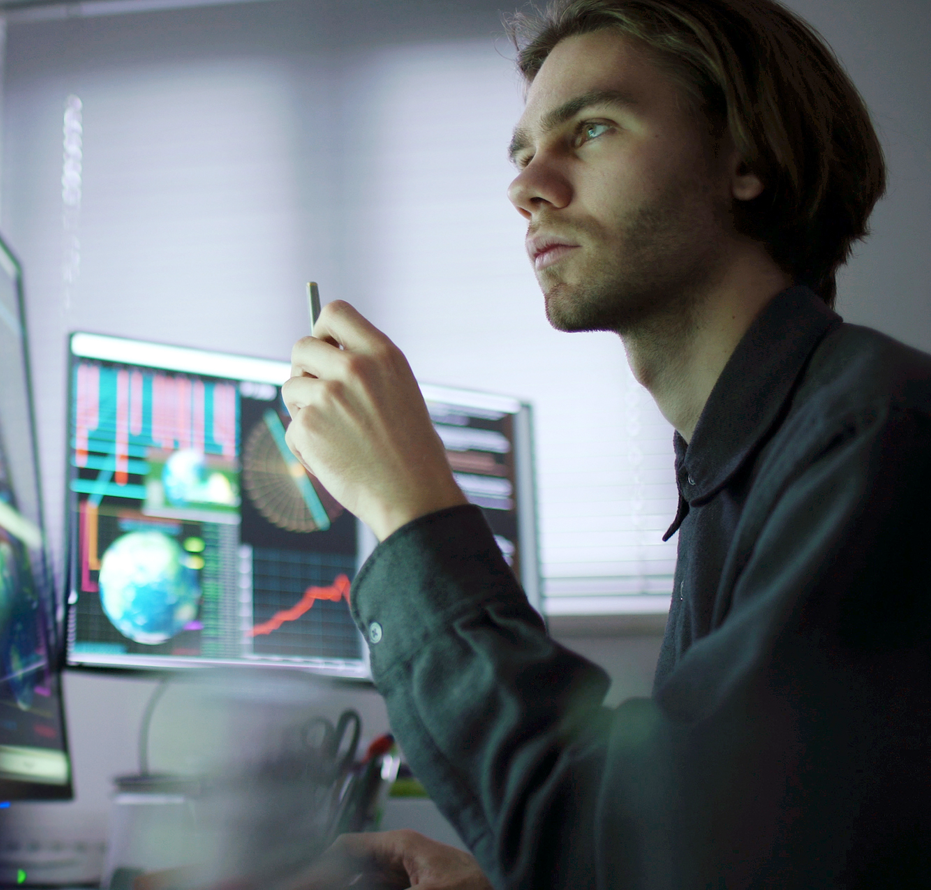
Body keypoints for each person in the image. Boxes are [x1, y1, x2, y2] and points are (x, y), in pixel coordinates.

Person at [280, 0, 931, 887]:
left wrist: (407, 503)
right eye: (521, 155)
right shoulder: (744, 461)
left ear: (745, 159)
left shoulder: (874, 442)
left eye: (590, 129)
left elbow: (656, 851)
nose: (527, 186)